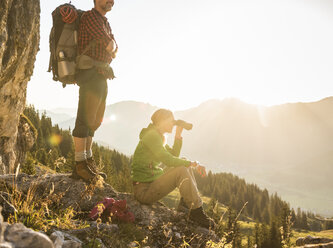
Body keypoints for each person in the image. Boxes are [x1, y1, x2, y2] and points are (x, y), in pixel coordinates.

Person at [131, 109, 215, 228]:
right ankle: (196, 211)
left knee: (183, 162)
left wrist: (178, 134)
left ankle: (187, 206)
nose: (173, 124)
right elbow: (169, 160)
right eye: (171, 121)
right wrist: (194, 164)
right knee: (182, 168)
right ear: (162, 122)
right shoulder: (152, 136)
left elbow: (174, 155)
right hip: (144, 191)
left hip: (151, 183)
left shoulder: (157, 136)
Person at [71, 0, 117, 181]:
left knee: (95, 118)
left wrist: (112, 46)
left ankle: (88, 161)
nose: (111, 1)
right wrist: (111, 46)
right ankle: (80, 165)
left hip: (101, 73)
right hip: (90, 73)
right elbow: (110, 45)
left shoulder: (104, 21)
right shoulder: (91, 17)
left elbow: (114, 46)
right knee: (84, 117)